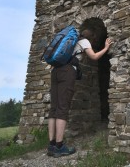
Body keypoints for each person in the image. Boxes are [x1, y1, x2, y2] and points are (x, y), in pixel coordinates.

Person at [47, 25, 112, 158]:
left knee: (54, 109)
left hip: (55, 71)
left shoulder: (69, 42)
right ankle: (59, 146)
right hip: (67, 71)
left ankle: (51, 145)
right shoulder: (84, 41)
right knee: (63, 108)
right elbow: (93, 57)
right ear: (91, 37)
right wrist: (106, 48)